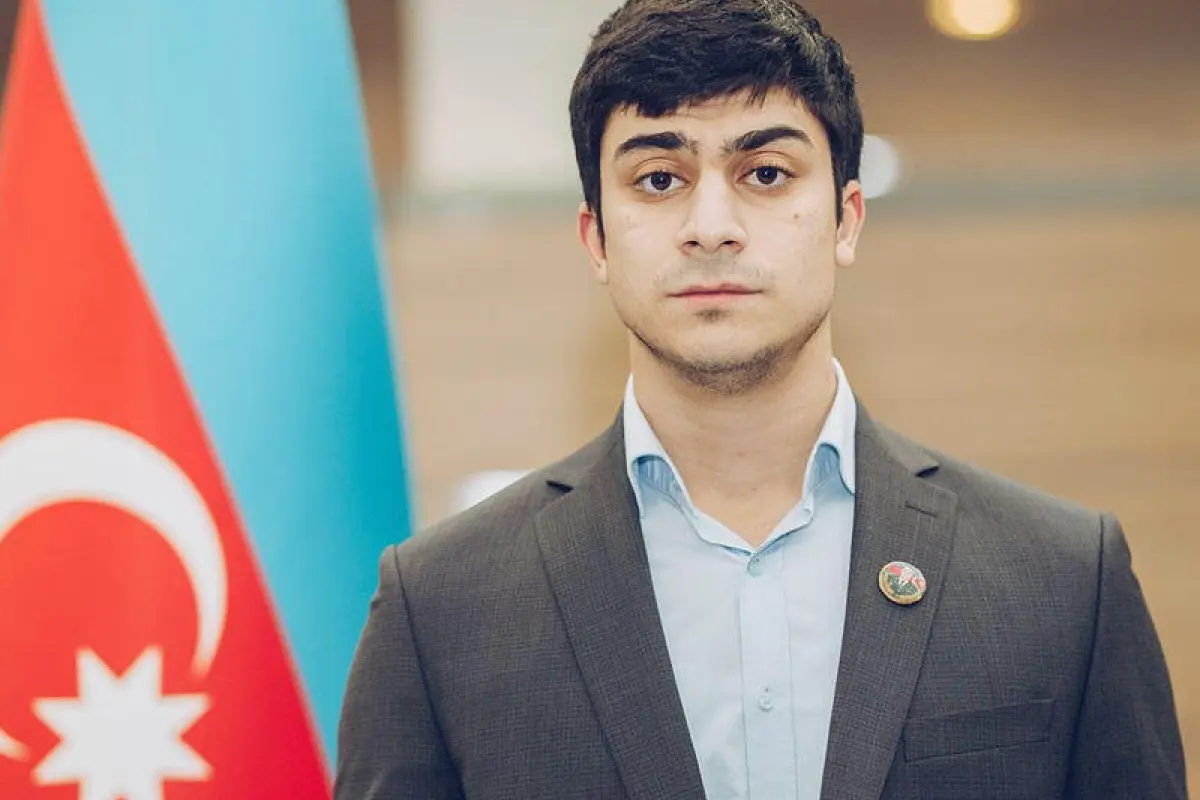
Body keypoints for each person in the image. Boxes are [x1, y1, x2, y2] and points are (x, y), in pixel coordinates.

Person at [333, 1, 1187, 797]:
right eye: (658, 179)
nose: (712, 225)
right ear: (595, 237)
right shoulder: (440, 608)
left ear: (847, 218)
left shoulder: (1064, 580)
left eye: (767, 172)